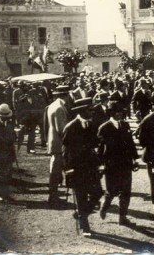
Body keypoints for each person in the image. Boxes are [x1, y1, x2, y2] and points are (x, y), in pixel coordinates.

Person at [62, 98, 104, 236]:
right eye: (89, 110)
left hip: (91, 166)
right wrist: (68, 169)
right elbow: (66, 151)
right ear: (81, 111)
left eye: (92, 109)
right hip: (77, 167)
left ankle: (82, 212)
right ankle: (84, 226)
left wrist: (99, 163)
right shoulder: (71, 127)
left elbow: (96, 144)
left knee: (97, 192)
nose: (92, 112)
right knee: (81, 196)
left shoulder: (92, 125)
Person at [98, 100, 140, 225]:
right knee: (111, 191)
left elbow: (130, 144)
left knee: (126, 192)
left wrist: (134, 159)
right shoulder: (104, 128)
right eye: (116, 112)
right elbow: (100, 149)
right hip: (111, 165)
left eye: (121, 112)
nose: (119, 114)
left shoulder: (125, 125)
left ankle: (123, 217)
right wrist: (101, 164)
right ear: (111, 113)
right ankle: (105, 206)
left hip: (126, 163)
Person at [46, 85, 70, 206]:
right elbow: (62, 129)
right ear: (65, 94)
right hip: (58, 143)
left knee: (55, 170)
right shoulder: (60, 108)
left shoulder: (52, 105)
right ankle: (53, 196)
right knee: (55, 171)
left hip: (54, 141)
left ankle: (53, 195)